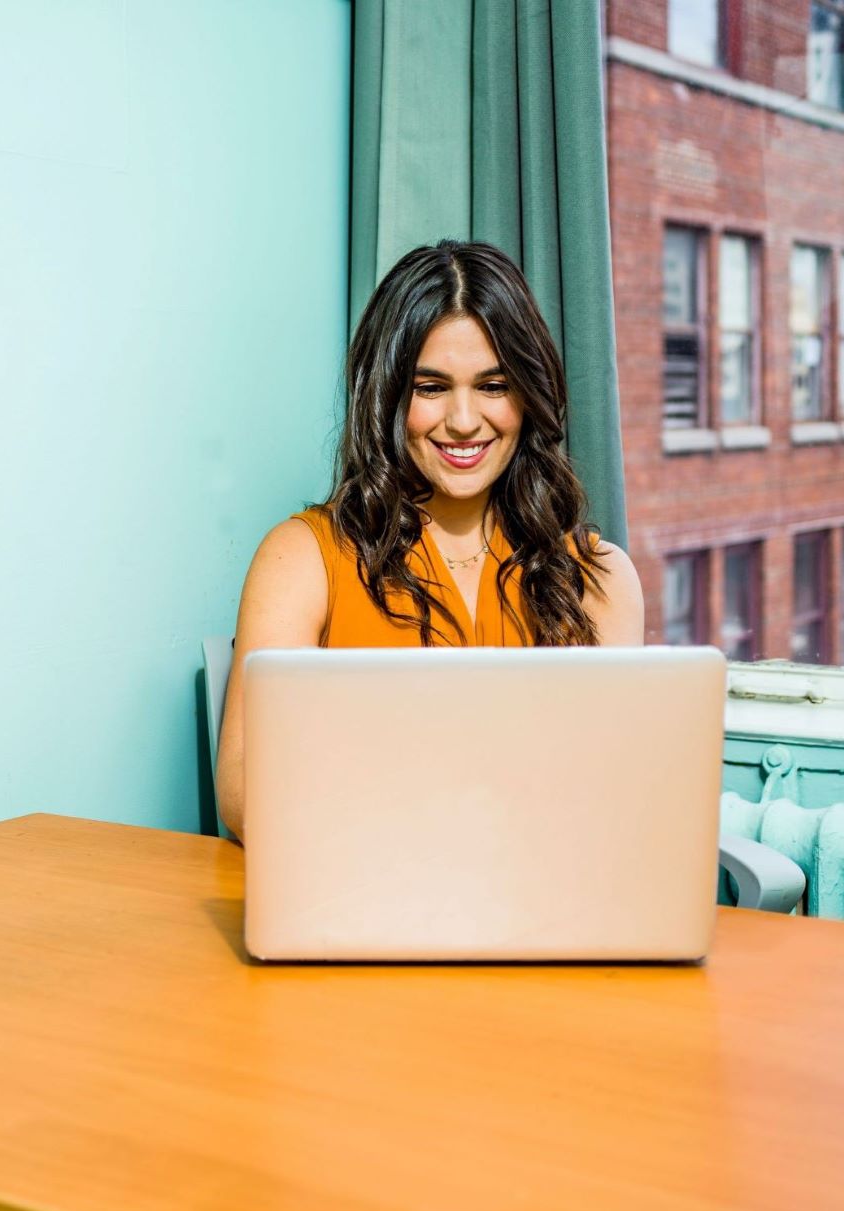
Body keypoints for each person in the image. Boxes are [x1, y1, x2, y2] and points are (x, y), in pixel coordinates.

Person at [215, 239, 644, 840]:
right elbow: (244, 799)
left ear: (528, 394)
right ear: (389, 396)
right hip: (362, 893)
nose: (464, 420)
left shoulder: (599, 576)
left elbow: (614, 798)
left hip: (546, 906)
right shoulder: (301, 558)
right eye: (431, 387)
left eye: (494, 386)